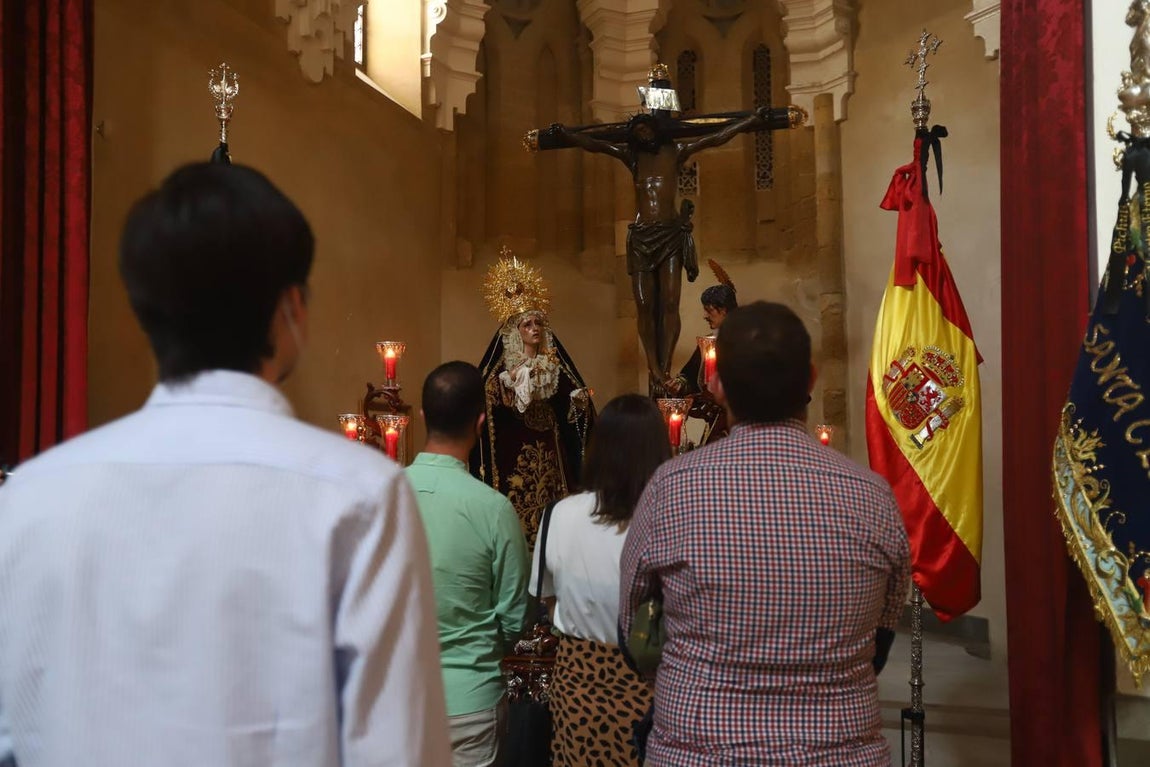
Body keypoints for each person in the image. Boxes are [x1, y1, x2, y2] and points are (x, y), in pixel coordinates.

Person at [0, 163, 451, 766]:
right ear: (291, 310)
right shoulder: (359, 496)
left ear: (145, 312)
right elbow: (397, 750)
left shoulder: (30, 494)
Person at [619, 301, 911, 766]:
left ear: (715, 386)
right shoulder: (873, 496)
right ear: (812, 380)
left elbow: (635, 633)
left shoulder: (672, 489)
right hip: (838, 753)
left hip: (701, 751)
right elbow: (881, 639)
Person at [552, 65, 788, 391]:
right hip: (642, 235)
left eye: (649, 130)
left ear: (657, 130)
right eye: (640, 131)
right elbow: (595, 145)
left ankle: (664, 367)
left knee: (671, 302)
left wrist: (751, 121)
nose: (645, 135)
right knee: (645, 305)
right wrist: (565, 136)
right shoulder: (631, 157)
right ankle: (653, 365)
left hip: (669, 233)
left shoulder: (675, 152)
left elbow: (717, 135)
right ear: (635, 132)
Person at [529, 394, 668, 767]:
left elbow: (548, 599)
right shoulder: (670, 515)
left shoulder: (558, 514)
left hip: (579, 687)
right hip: (651, 685)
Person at [407, 361, 531, 767]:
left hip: (397, 698)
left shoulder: (381, 495)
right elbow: (513, 618)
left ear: (423, 416)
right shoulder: (493, 510)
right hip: (470, 699)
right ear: (481, 422)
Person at [471, 251, 595, 548]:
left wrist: (578, 406)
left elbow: (573, 404)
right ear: (515, 331)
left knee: (551, 515)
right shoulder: (502, 369)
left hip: (550, 452)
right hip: (512, 451)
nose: (535, 329)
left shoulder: (553, 364)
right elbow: (485, 402)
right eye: (527, 324)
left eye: (538, 323)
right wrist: (505, 392)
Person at [668, 258, 738, 444]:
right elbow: (690, 374)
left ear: (724, 310)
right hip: (715, 416)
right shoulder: (709, 342)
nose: (705, 316)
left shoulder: (746, 341)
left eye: (709, 310)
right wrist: (679, 384)